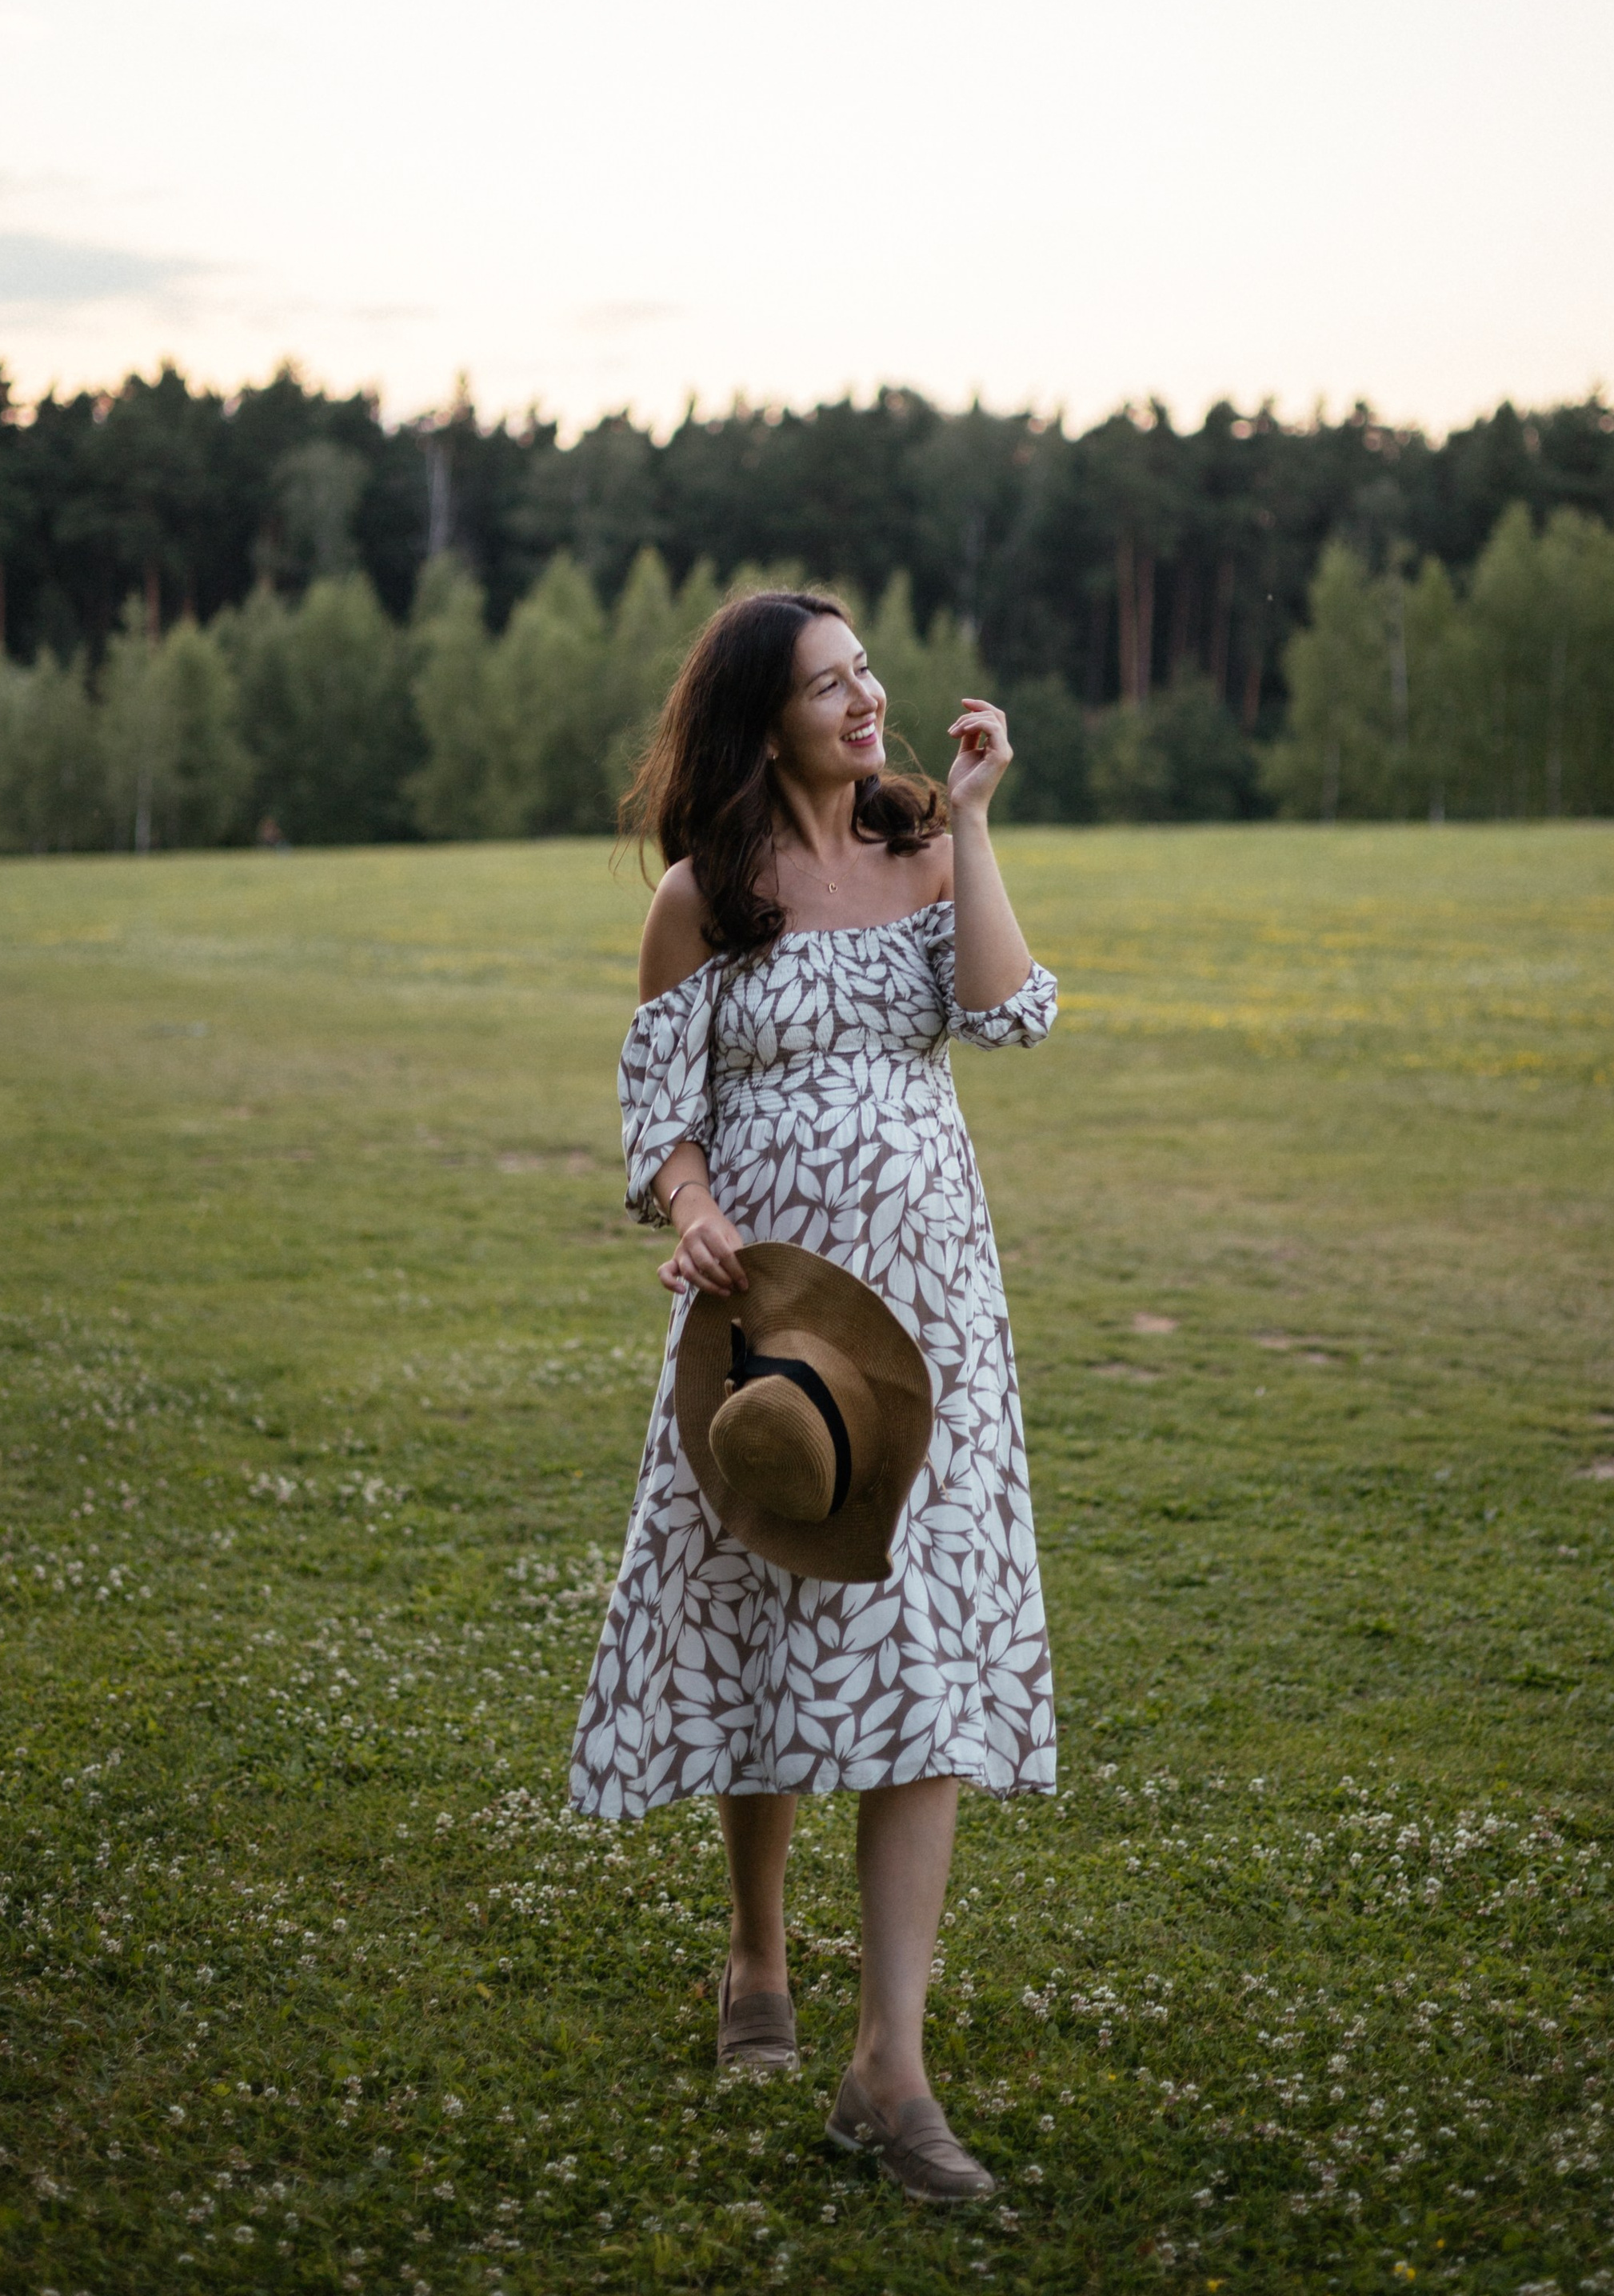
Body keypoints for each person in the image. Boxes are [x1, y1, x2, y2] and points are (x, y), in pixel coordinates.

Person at [569, 588, 1058, 2205]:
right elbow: (658, 1118)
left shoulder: (921, 842)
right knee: (771, 1614)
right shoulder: (709, 898)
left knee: (916, 1651)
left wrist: (973, 827)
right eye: (828, 685)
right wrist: (698, 1215)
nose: (867, 703)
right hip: (771, 1322)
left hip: (929, 1322)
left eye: (868, 676)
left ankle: (889, 2067)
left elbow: (1004, 1013)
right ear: (756, 719)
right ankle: (756, 1956)